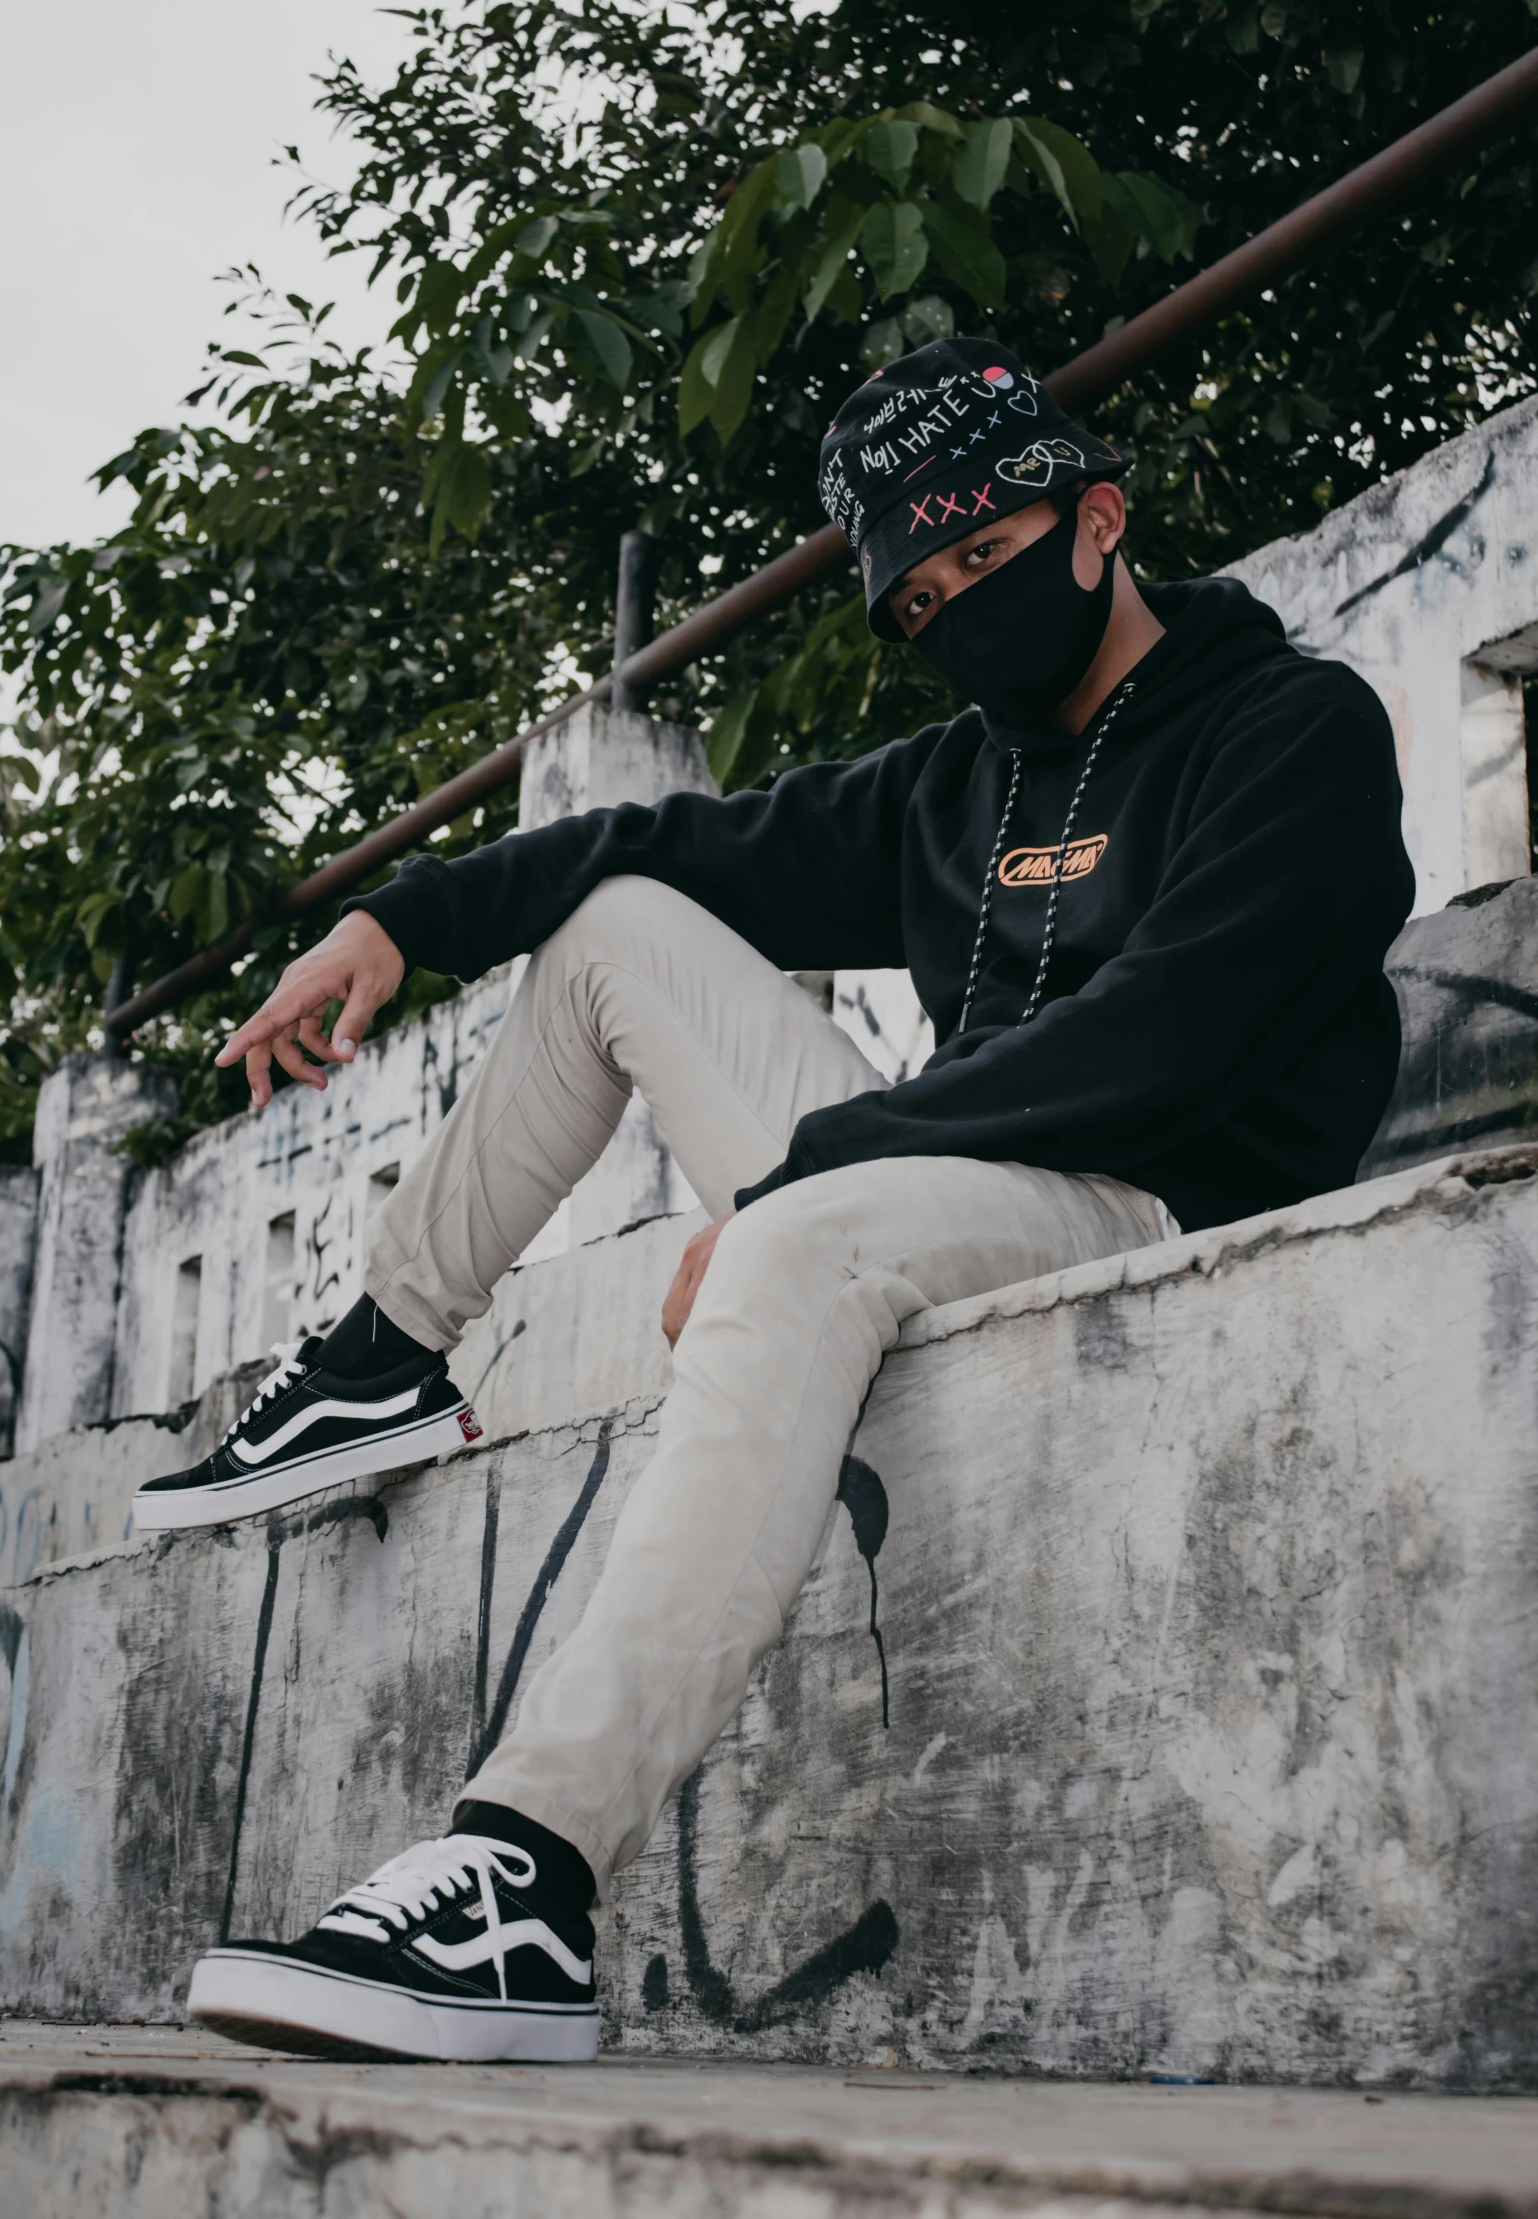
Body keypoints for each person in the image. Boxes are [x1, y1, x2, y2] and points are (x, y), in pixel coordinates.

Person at [141, 337, 1415, 2063]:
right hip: (948, 1186)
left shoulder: (1292, 730)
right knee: (616, 928)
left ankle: (523, 1879)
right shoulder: (949, 786)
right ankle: (382, 1350)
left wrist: (811, 1171)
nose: (961, 608)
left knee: (805, 1231)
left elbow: (1168, 1035)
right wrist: (403, 917)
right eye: (921, 596)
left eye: (988, 558)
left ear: (1098, 518)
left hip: (1146, 1196)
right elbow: (663, 844)